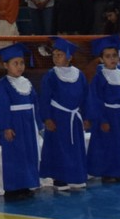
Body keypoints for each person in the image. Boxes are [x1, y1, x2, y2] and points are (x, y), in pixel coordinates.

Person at [37, 36, 89, 191]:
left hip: (74, 118)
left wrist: (87, 117)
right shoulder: (51, 75)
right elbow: (44, 97)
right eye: (54, 54)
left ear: (69, 57)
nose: (56, 57)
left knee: (74, 148)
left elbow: (86, 98)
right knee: (59, 148)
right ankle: (60, 178)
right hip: (58, 118)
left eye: (59, 54)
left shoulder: (79, 76)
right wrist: (46, 118)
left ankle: (76, 177)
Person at [0, 44, 40, 200]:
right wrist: (5, 127)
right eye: (15, 63)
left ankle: (26, 184)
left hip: (27, 124)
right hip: (14, 124)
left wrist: (37, 123)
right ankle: (13, 188)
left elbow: (35, 103)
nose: (19, 67)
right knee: (14, 155)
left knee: (27, 154)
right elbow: (1, 106)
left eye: (22, 63)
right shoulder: (3, 85)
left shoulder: (27, 83)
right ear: (5, 65)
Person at [85, 36, 120, 182]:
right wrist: (102, 120)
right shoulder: (99, 78)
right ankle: (107, 172)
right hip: (107, 115)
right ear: (101, 59)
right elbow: (95, 100)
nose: (112, 59)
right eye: (108, 56)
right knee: (107, 145)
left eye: (114, 55)